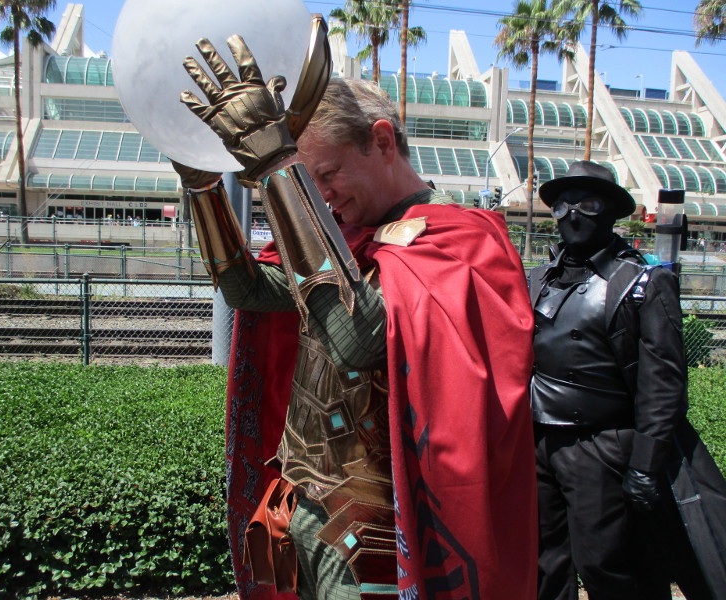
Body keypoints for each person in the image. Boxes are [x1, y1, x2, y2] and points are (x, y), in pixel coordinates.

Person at [174, 34, 537, 600]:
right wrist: (202, 189)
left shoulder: (459, 239)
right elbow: (247, 289)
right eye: (309, 180)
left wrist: (277, 163)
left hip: (376, 532)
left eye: (326, 173)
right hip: (294, 501)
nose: (320, 196)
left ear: (382, 141)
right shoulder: (346, 240)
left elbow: (358, 336)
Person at [529, 161, 726, 600]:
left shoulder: (642, 282)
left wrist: (645, 464)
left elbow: (663, 385)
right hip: (539, 438)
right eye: (562, 205)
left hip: (602, 443)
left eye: (588, 203)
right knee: (545, 561)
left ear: (611, 211)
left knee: (606, 563)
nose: (572, 214)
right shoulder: (540, 278)